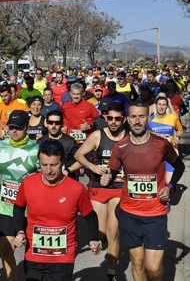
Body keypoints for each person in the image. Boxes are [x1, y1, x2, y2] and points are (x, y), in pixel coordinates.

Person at [103, 101, 185, 281]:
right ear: (127, 120)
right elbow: (112, 174)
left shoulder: (161, 145)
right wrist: (106, 178)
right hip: (130, 214)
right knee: (137, 264)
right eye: (133, 116)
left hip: (155, 214)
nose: (137, 121)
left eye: (141, 116)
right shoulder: (121, 147)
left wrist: (170, 187)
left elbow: (179, 167)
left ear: (149, 118)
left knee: (154, 268)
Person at [14, 141, 101, 281]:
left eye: (53, 165)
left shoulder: (77, 189)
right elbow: (18, 208)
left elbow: (90, 216)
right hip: (34, 254)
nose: (48, 170)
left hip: (63, 258)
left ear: (63, 162)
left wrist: (94, 239)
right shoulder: (28, 183)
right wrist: (20, 231)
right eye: (44, 165)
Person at [74, 102, 128, 281]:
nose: (113, 122)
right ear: (105, 118)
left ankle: (111, 273)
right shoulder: (98, 135)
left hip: (119, 188)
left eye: (117, 119)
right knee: (100, 232)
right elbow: (78, 155)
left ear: (123, 119)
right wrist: (92, 166)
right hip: (98, 186)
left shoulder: (129, 137)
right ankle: (103, 240)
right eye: (110, 118)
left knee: (113, 231)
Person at [0, 110, 39, 281]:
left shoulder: (36, 149)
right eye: (11, 127)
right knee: (5, 248)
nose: (14, 131)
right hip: (6, 206)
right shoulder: (1, 145)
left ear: (27, 127)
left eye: (18, 128)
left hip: (30, 210)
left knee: (30, 252)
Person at [147, 96, 183, 184]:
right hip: (153, 154)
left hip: (169, 153)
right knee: (155, 182)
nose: (161, 107)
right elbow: (143, 134)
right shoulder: (149, 119)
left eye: (164, 105)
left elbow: (180, 130)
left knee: (169, 182)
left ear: (167, 107)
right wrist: (156, 135)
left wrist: (177, 137)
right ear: (155, 106)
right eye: (159, 104)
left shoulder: (173, 118)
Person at [38, 110, 81, 180]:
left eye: (57, 123)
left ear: (62, 124)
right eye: (50, 122)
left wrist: (68, 170)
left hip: (67, 180)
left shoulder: (70, 142)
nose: (53, 126)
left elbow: (81, 161)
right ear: (46, 123)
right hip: (47, 181)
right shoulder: (40, 142)